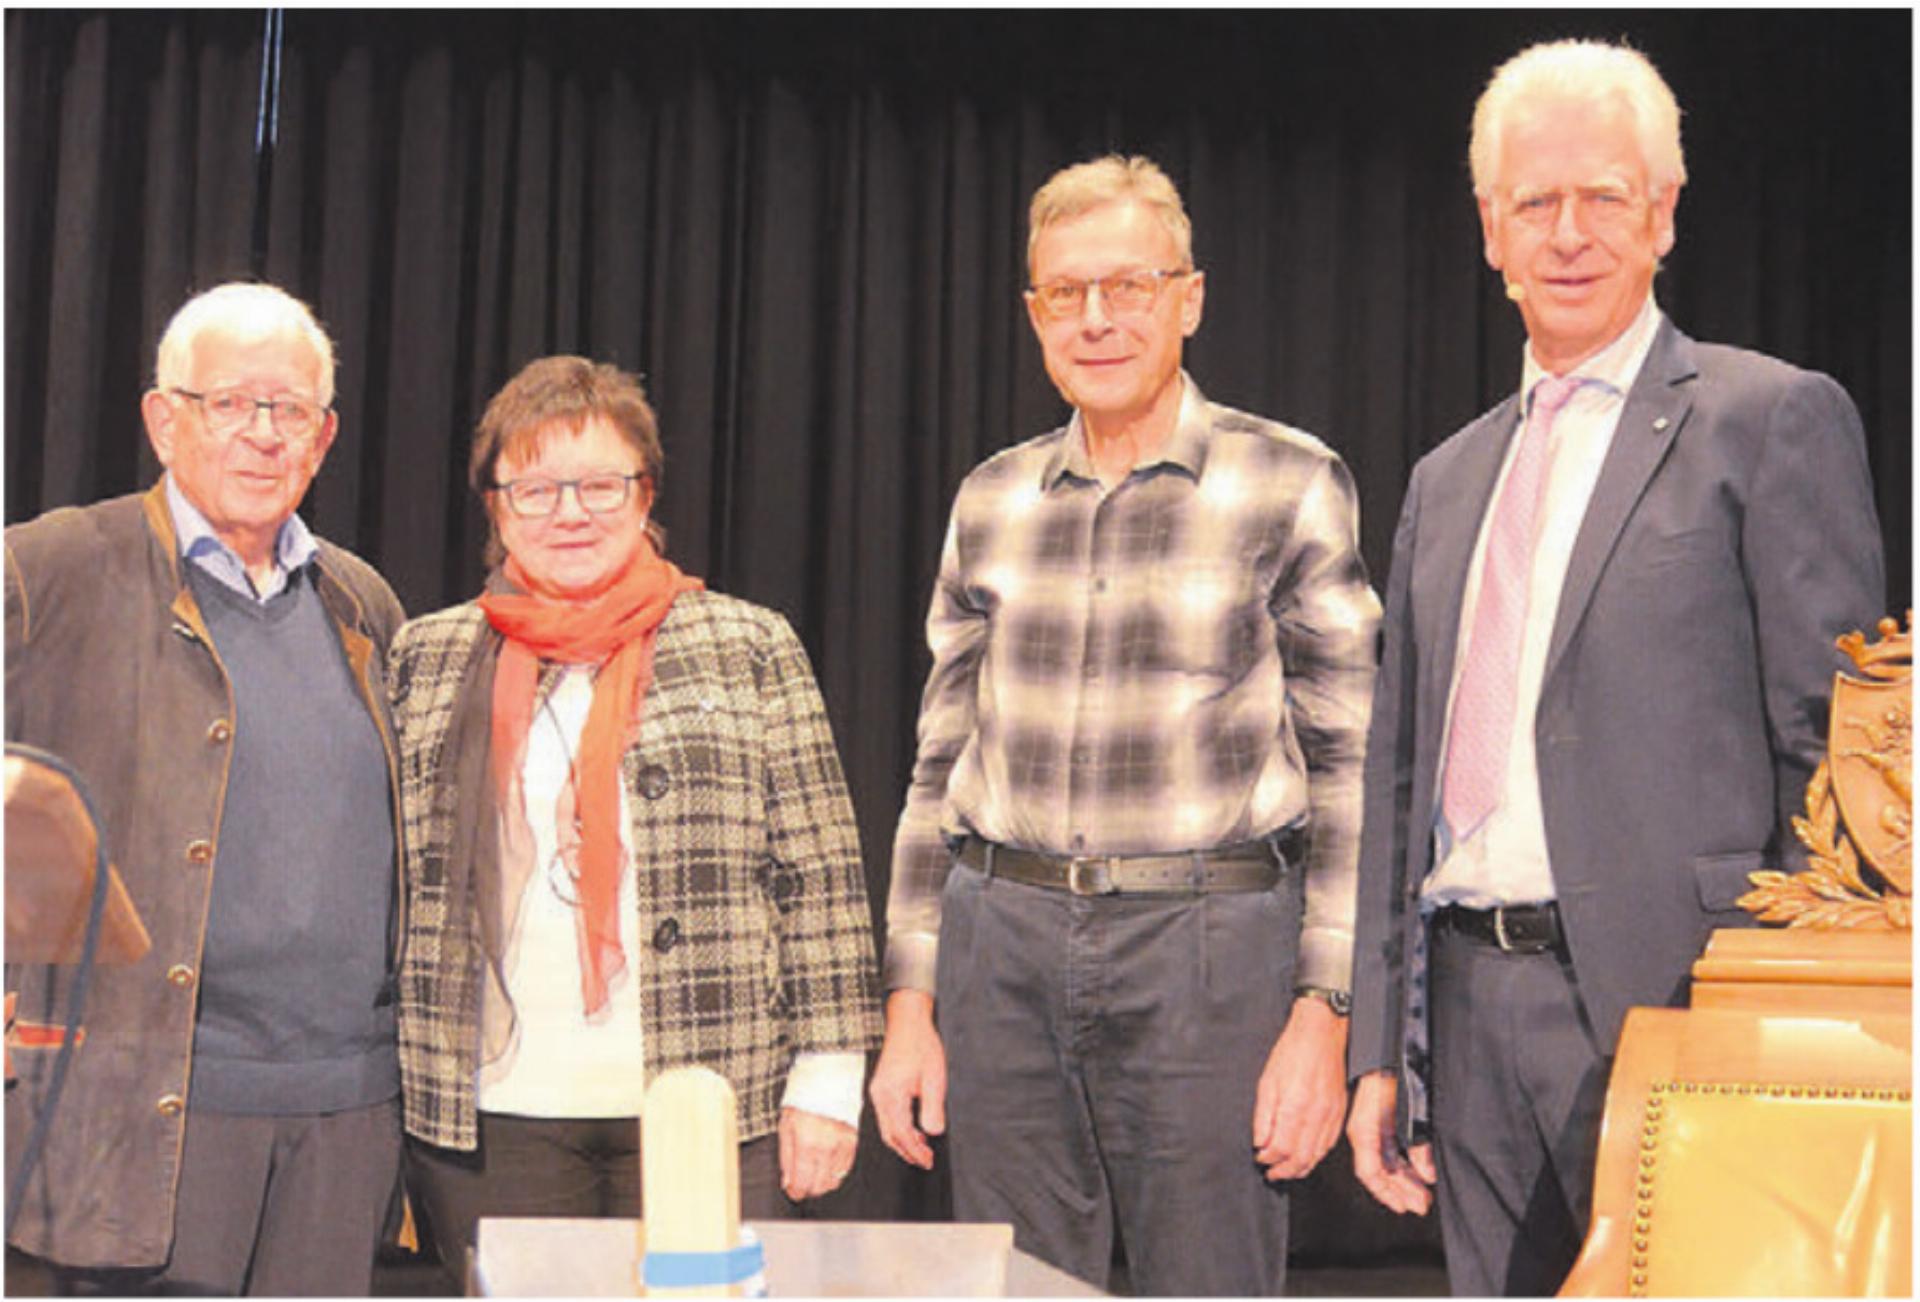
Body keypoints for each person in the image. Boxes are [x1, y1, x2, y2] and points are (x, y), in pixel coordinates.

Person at [1345, 39, 1886, 1296]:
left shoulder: (1770, 420)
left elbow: (1843, 765)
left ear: (1665, 213)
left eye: (1604, 197)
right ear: (1491, 229)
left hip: (1681, 1008)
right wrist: (1387, 1045)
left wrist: (1797, 1040)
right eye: (1536, 203)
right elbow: (1396, 782)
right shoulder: (1446, 476)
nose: (1569, 234)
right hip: (1468, 1018)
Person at [870, 155, 1380, 1295]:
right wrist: (910, 1003)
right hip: (998, 947)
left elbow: (1350, 772)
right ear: (1034, 313)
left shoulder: (1288, 481)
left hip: (1210, 946)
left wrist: (1325, 1014)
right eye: (1066, 293)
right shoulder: (989, 499)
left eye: (1129, 286)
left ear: (1187, 298)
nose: (1096, 318)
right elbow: (933, 770)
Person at [392, 355, 881, 1286]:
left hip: (713, 1104)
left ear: (644, 494)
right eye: (534, 488)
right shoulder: (428, 654)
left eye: (598, 484)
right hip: (493, 1110)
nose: (568, 512)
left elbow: (817, 876)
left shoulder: (748, 644)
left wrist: (827, 1084)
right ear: (496, 507)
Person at [4, 283, 407, 1293]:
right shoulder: (47, 570)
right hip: (134, 1106)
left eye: (292, 411)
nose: (263, 435)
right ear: (162, 417)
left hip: (344, 1116)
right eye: (232, 402)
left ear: (325, 439)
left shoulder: (364, 603)